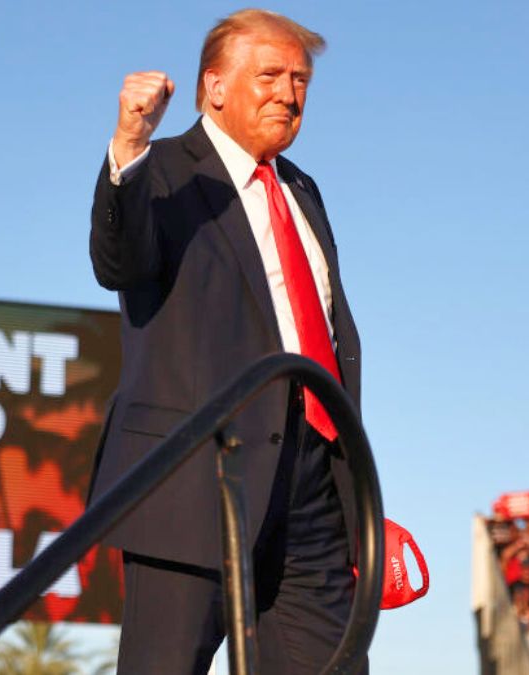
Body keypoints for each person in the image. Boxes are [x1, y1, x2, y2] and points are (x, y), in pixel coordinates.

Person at [87, 9, 365, 674]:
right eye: (269, 74)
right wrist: (129, 145)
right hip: (198, 472)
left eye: (300, 79)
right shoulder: (165, 171)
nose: (288, 92)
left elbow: (323, 329)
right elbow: (117, 263)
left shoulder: (302, 190)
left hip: (312, 488)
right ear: (214, 87)